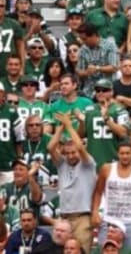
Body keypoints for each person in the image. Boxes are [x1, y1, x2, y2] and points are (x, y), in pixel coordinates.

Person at [47, 108, 96, 253]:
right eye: (67, 153)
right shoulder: (62, 164)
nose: (70, 156)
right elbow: (50, 147)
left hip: (82, 218)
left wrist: (69, 125)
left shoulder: (88, 164)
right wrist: (61, 127)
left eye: (73, 152)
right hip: (65, 218)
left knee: (82, 251)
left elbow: (80, 146)